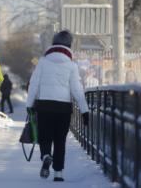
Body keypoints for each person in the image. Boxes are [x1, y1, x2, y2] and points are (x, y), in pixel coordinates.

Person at [26, 30, 89, 182]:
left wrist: (30, 105)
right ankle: (58, 173)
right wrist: (84, 110)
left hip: (44, 106)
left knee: (45, 136)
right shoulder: (71, 65)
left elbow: (34, 84)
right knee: (60, 140)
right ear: (69, 46)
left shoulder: (43, 62)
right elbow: (76, 89)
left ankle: (46, 155)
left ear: (53, 44)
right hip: (63, 109)